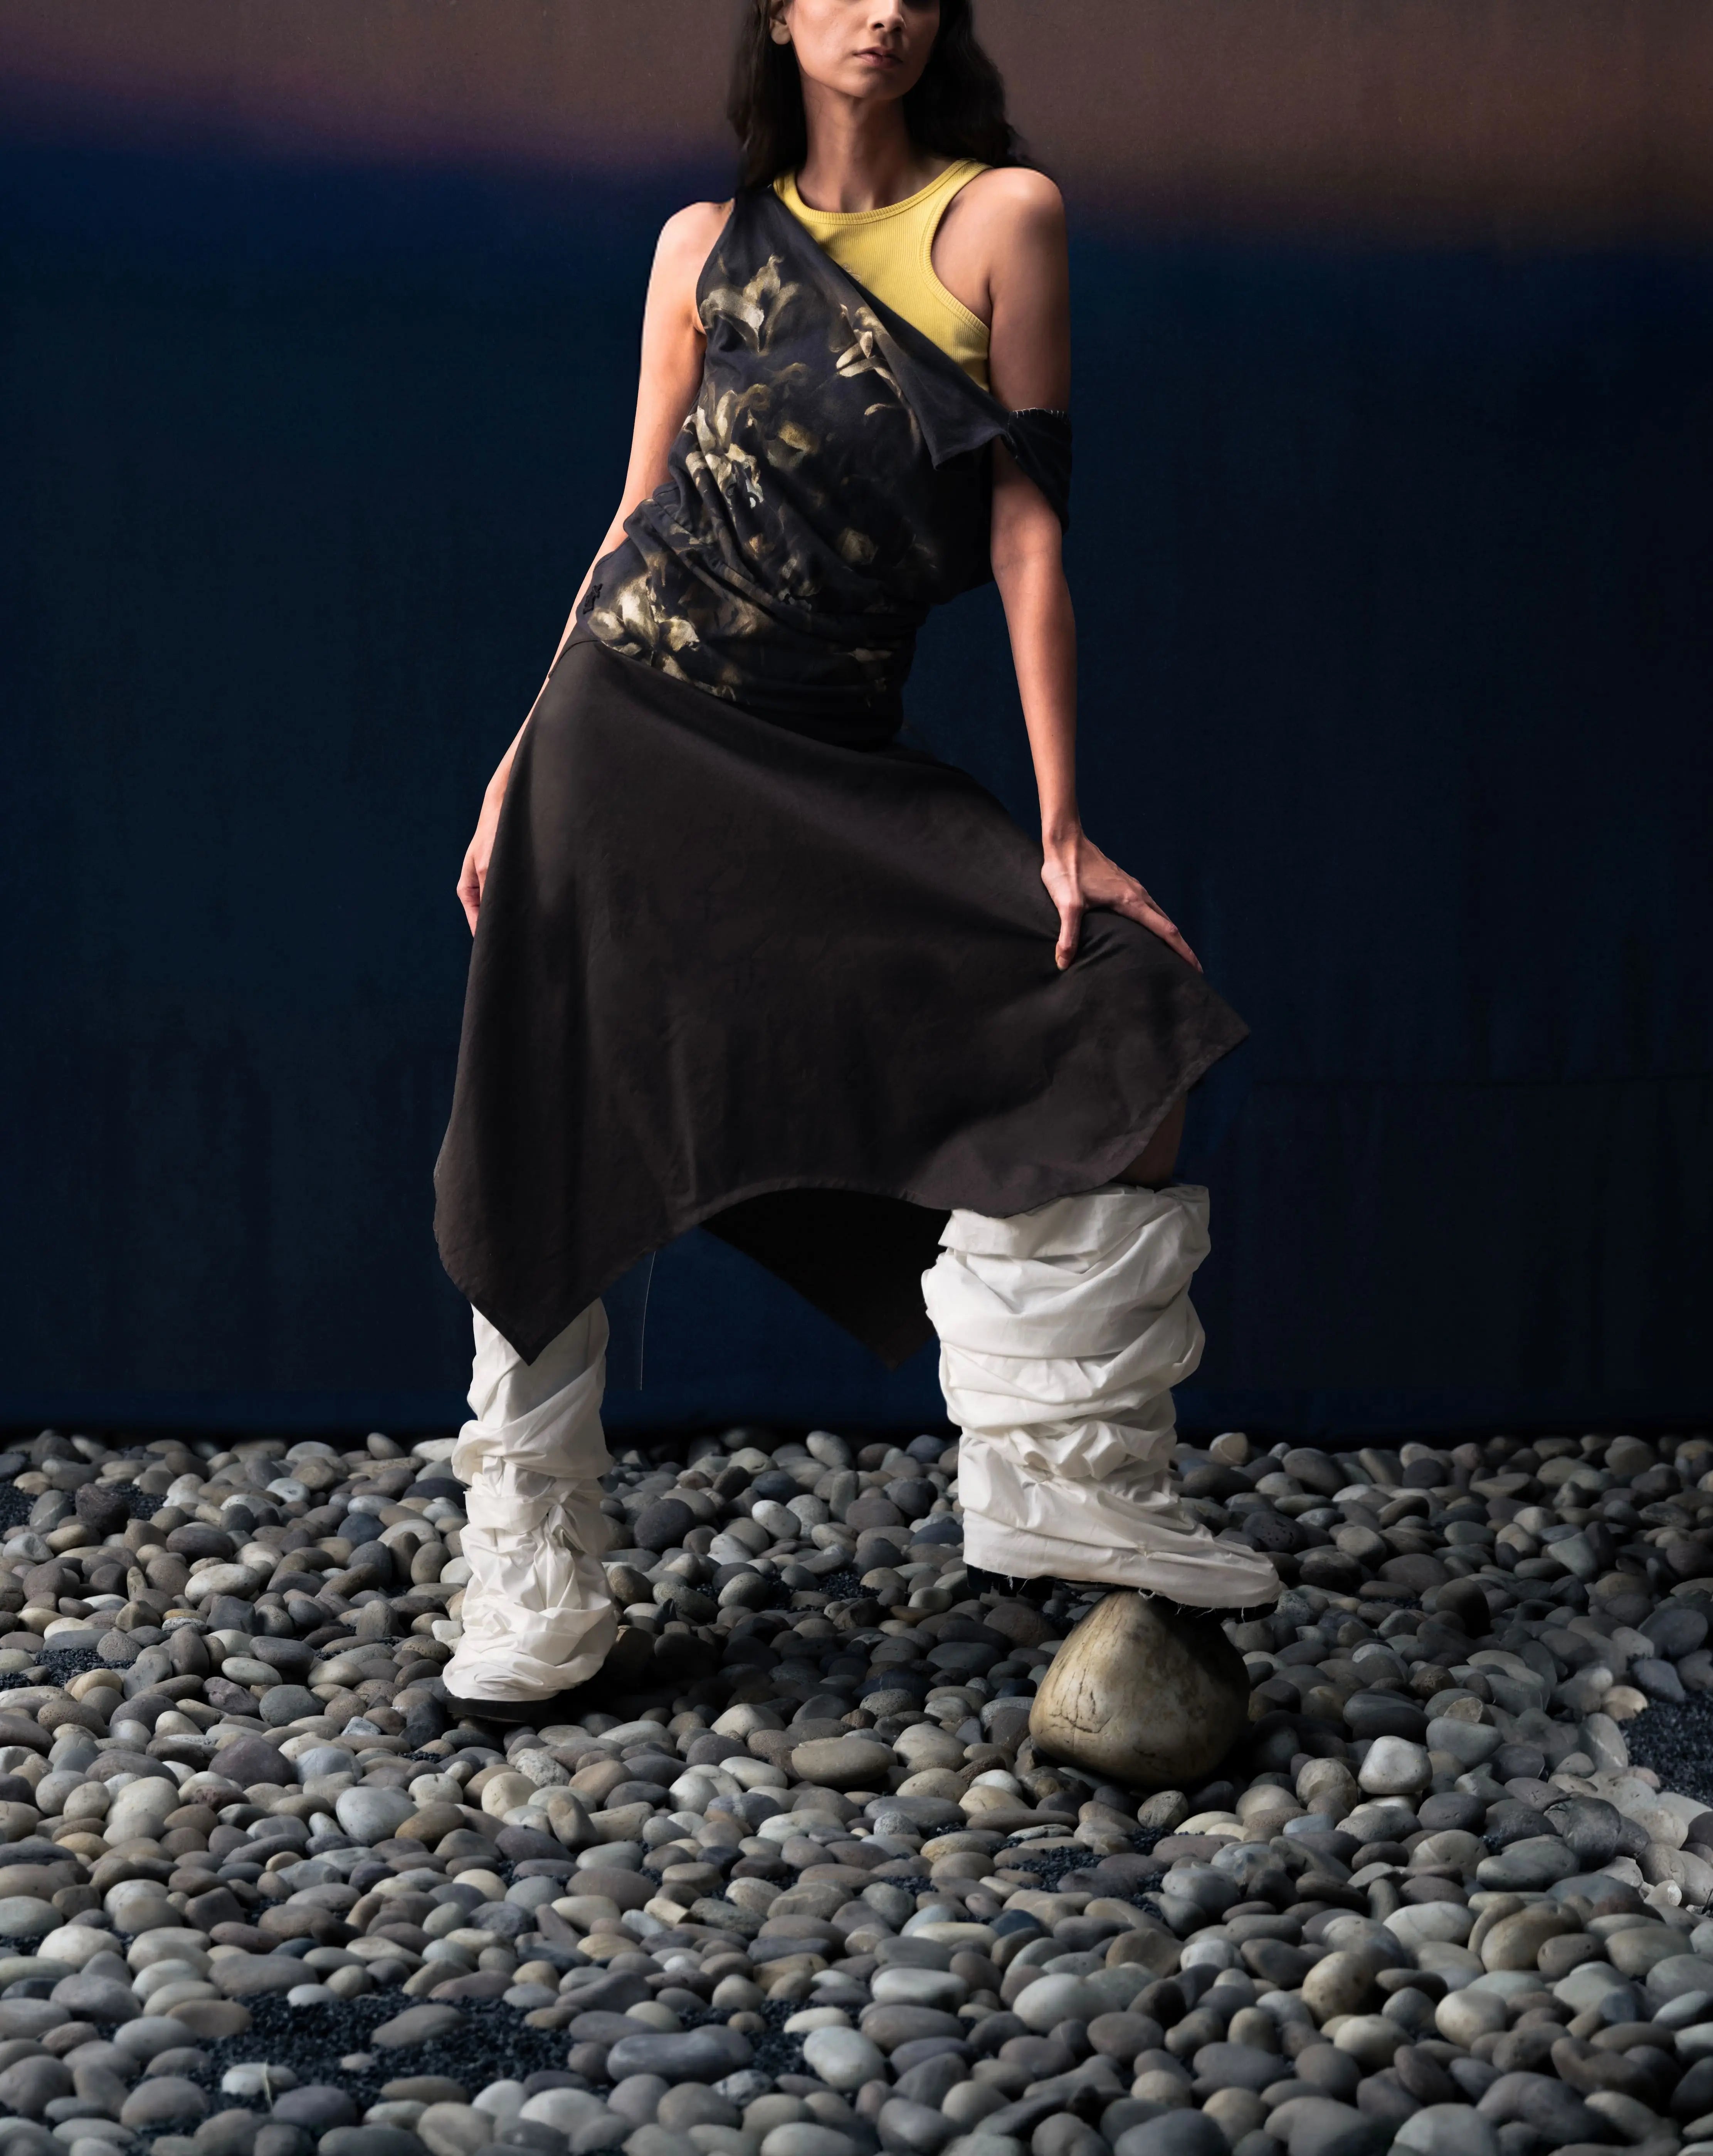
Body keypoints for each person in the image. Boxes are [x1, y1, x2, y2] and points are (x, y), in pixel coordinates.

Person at [433, 0, 1278, 1731]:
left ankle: (1056, 1473)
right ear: (778, 15)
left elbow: (1029, 533)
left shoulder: (1005, 218)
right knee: (552, 1115)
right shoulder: (701, 246)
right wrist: (520, 754)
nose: (880, 8)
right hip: (627, 729)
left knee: (1119, 1014)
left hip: (826, 752)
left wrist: (1059, 824)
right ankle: (533, 1564)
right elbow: (634, 515)